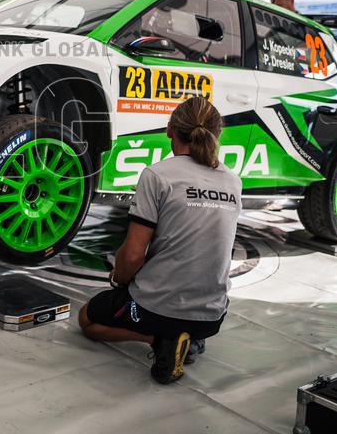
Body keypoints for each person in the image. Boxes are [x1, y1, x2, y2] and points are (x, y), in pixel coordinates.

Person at [78, 96, 242, 385]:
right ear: (217, 134)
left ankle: (160, 339)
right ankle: (191, 338)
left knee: (88, 321)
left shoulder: (157, 175)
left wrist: (120, 279)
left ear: (169, 130)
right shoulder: (232, 180)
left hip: (153, 311)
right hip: (212, 316)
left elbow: (131, 257)